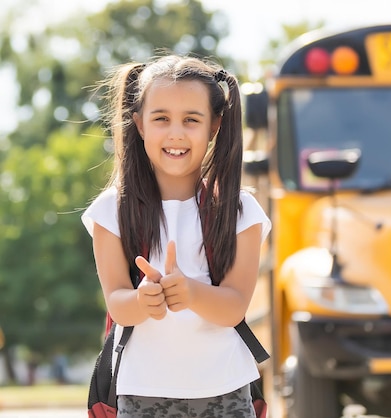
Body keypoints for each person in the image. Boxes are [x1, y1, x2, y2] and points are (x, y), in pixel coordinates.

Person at [81, 54, 271, 417]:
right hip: (141, 392)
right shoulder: (111, 211)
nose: (176, 133)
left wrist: (190, 292)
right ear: (138, 124)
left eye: (191, 120)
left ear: (215, 126)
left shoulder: (241, 211)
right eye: (161, 118)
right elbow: (118, 304)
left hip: (227, 391)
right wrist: (144, 300)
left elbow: (234, 307)